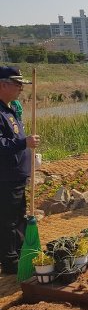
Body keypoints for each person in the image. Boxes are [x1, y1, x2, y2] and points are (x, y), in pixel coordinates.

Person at [0, 67, 39, 274]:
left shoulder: (9, 109)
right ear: (3, 84)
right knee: (8, 219)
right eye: (17, 84)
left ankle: (18, 253)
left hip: (16, 174)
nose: (21, 88)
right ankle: (10, 261)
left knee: (18, 216)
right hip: (5, 176)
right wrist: (24, 143)